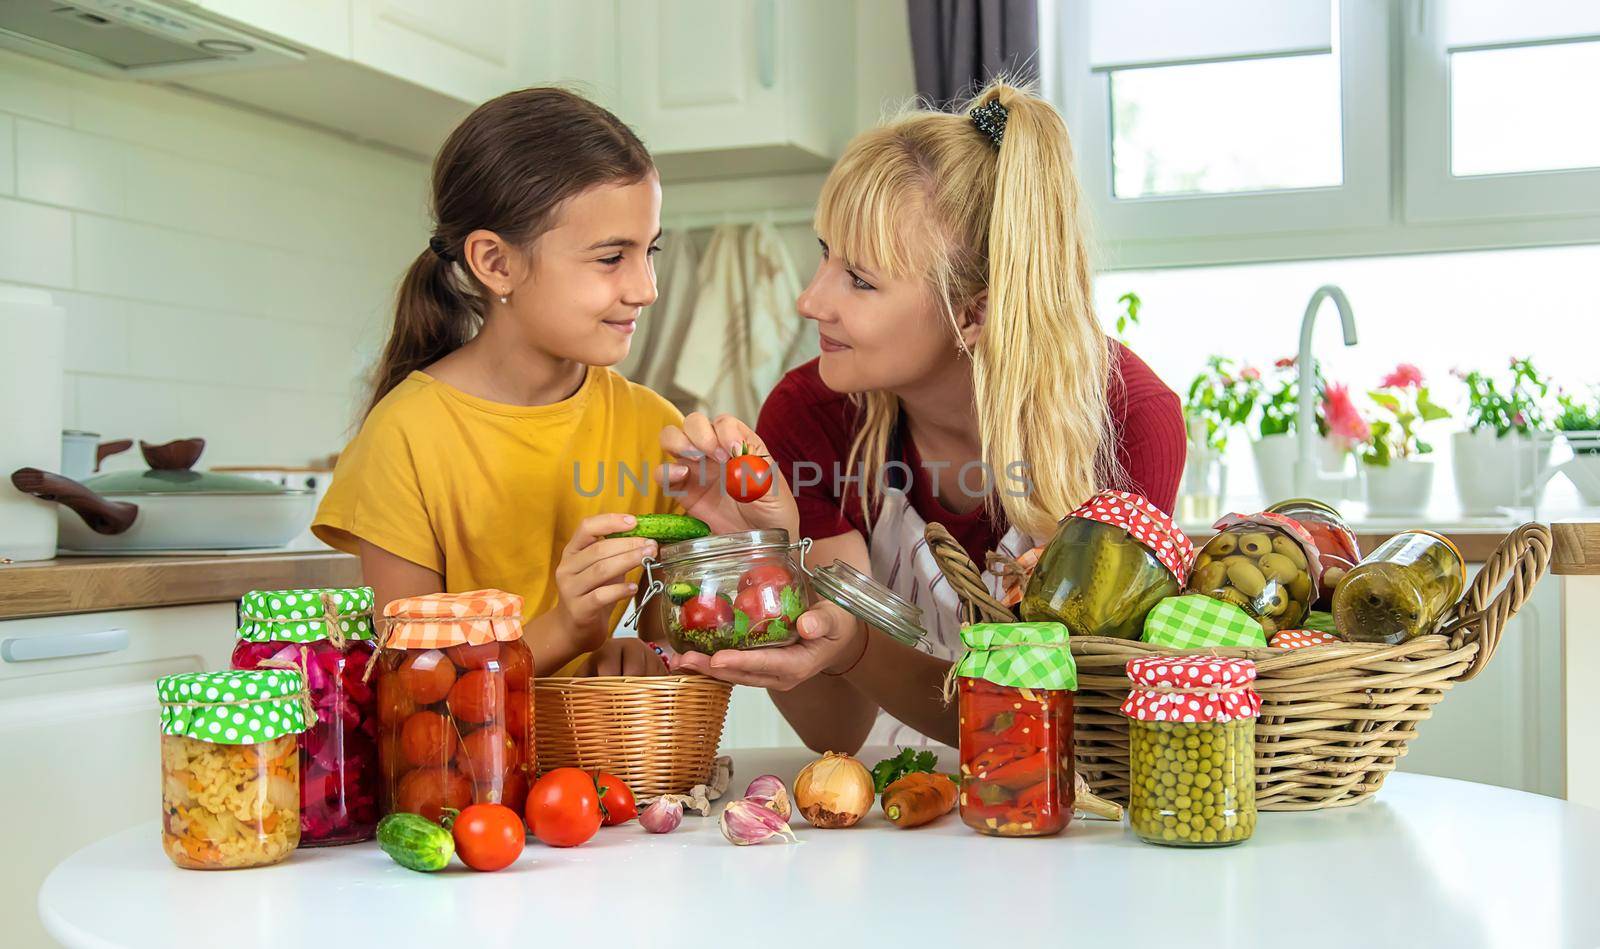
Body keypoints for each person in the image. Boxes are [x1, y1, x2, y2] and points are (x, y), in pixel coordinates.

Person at [668, 80, 1186, 751]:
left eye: (860, 279)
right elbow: (838, 730)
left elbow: (1068, 735)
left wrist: (854, 646)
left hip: (1069, 814)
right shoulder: (812, 414)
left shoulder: (1128, 424)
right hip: (895, 808)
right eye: (824, 253)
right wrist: (774, 563)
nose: (809, 300)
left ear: (973, 313)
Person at [314, 88, 720, 677]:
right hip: (460, 770)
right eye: (612, 258)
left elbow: (676, 650)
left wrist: (649, 652)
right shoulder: (404, 438)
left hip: (606, 769)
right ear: (496, 263)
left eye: (648, 251)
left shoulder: (656, 430)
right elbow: (415, 685)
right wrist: (565, 630)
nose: (646, 288)